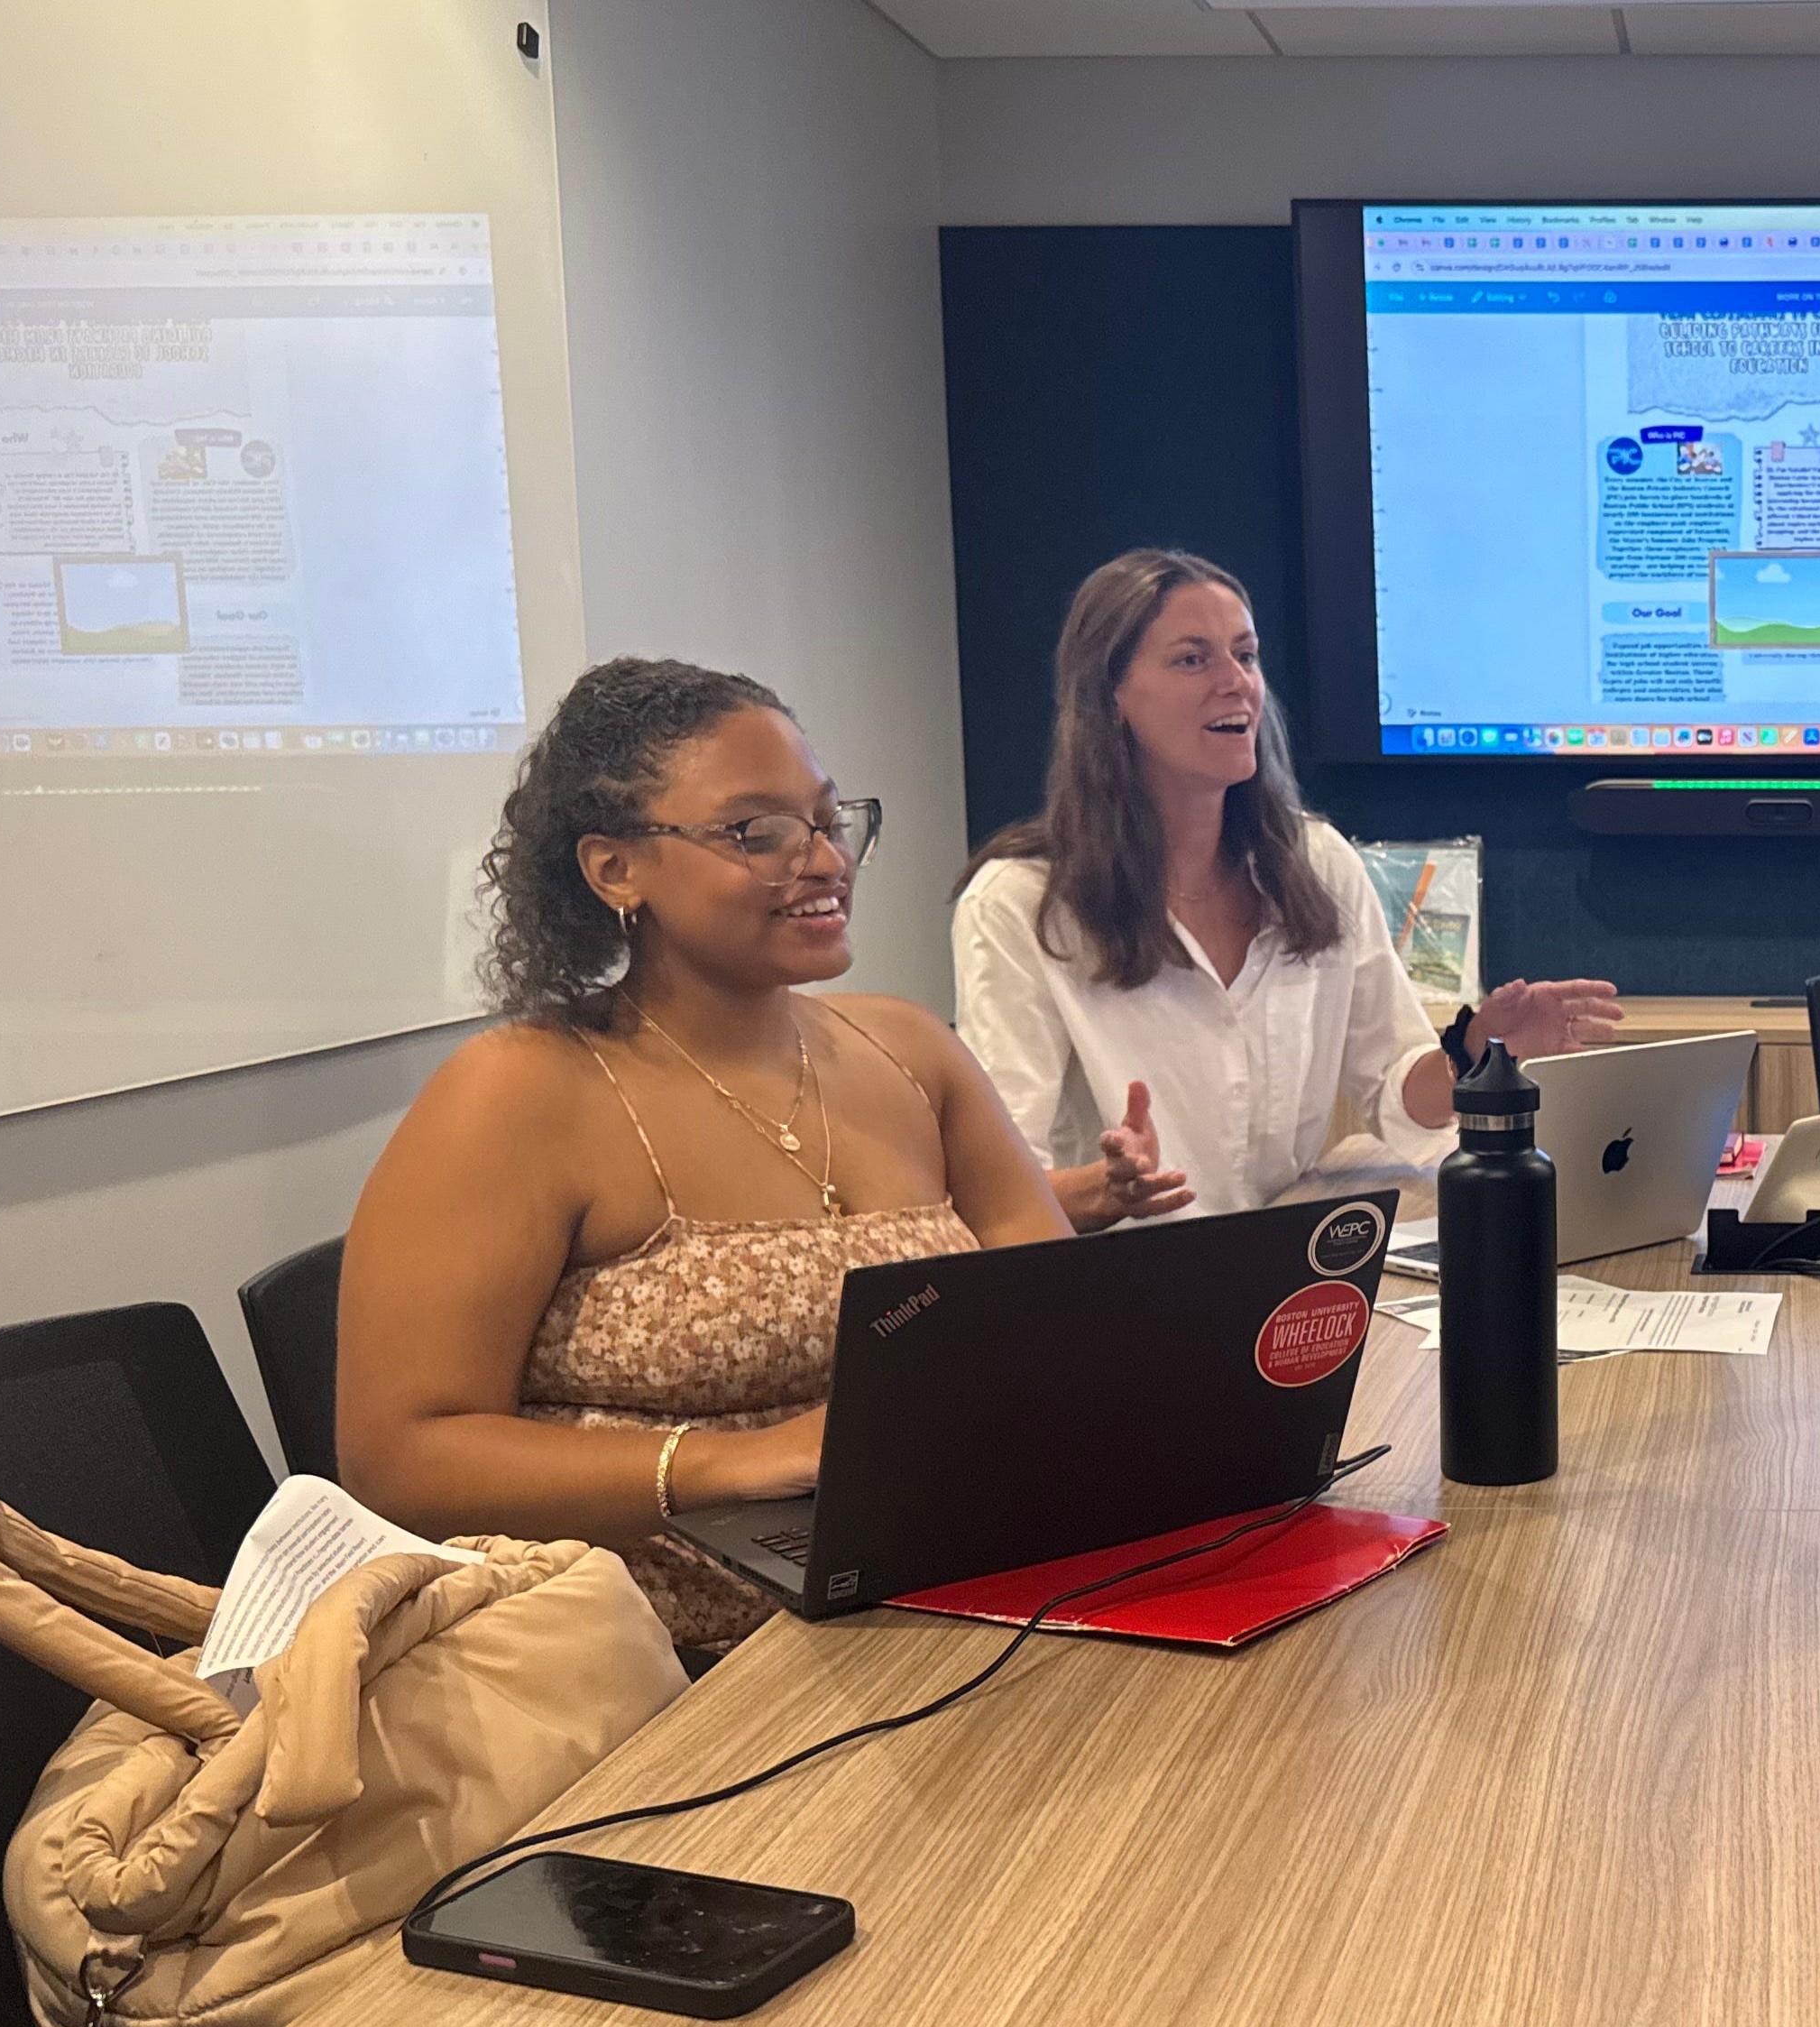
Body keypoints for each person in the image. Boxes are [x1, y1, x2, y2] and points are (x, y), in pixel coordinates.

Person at [337, 659, 1076, 1653]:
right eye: (755, 831)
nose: (822, 859)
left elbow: (1064, 1316)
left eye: (826, 819)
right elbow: (400, 1460)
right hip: (661, 1680)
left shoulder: (910, 1053)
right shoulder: (519, 1092)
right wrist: (726, 1463)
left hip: (948, 1612)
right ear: (615, 870)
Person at [956, 548, 1622, 1220]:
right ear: (1111, 700)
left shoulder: (1317, 864)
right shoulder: (1020, 904)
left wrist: (1478, 1050)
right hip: (1117, 1294)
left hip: (1288, 1281)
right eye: (1193, 659)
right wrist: (1111, 1188)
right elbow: (997, 1191)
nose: (1236, 683)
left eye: (1245, 656)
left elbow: (1395, 1090)